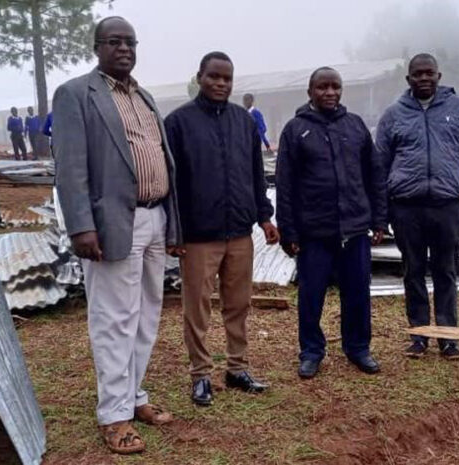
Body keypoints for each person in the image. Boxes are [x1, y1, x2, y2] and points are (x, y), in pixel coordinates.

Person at [51, 16, 182, 455]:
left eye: (130, 42)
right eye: (114, 41)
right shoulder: (75, 95)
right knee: (114, 320)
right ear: (97, 47)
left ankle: (134, 395)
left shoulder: (144, 97)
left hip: (156, 218)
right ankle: (113, 414)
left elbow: (162, 159)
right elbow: (70, 168)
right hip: (112, 224)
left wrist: (173, 222)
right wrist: (81, 225)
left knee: (146, 315)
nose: (123, 48)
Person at [164, 51, 279, 407]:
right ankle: (200, 375)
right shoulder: (178, 123)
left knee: (238, 304)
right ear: (199, 77)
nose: (221, 83)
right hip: (199, 236)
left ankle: (237, 368)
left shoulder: (243, 122)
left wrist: (264, 215)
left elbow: (255, 175)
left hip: (240, 233)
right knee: (197, 308)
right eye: (214, 76)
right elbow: (171, 182)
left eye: (227, 78)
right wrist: (175, 231)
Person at [374, 53, 459, 360]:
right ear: (408, 79)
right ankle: (420, 335)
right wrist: (381, 215)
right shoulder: (393, 115)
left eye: (429, 73)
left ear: (439, 76)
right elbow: (379, 167)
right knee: (413, 272)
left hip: (448, 206)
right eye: (417, 74)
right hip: (406, 207)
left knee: (446, 271)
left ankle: (448, 338)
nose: (423, 78)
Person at [275, 67, 385, 379]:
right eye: (322, 87)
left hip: (354, 230)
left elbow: (374, 175)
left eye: (335, 87)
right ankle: (311, 352)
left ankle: (358, 347)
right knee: (311, 296)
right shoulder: (296, 130)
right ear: (310, 91)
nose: (330, 93)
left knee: (358, 293)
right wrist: (289, 231)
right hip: (314, 233)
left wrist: (378, 219)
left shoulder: (355, 126)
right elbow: (285, 185)